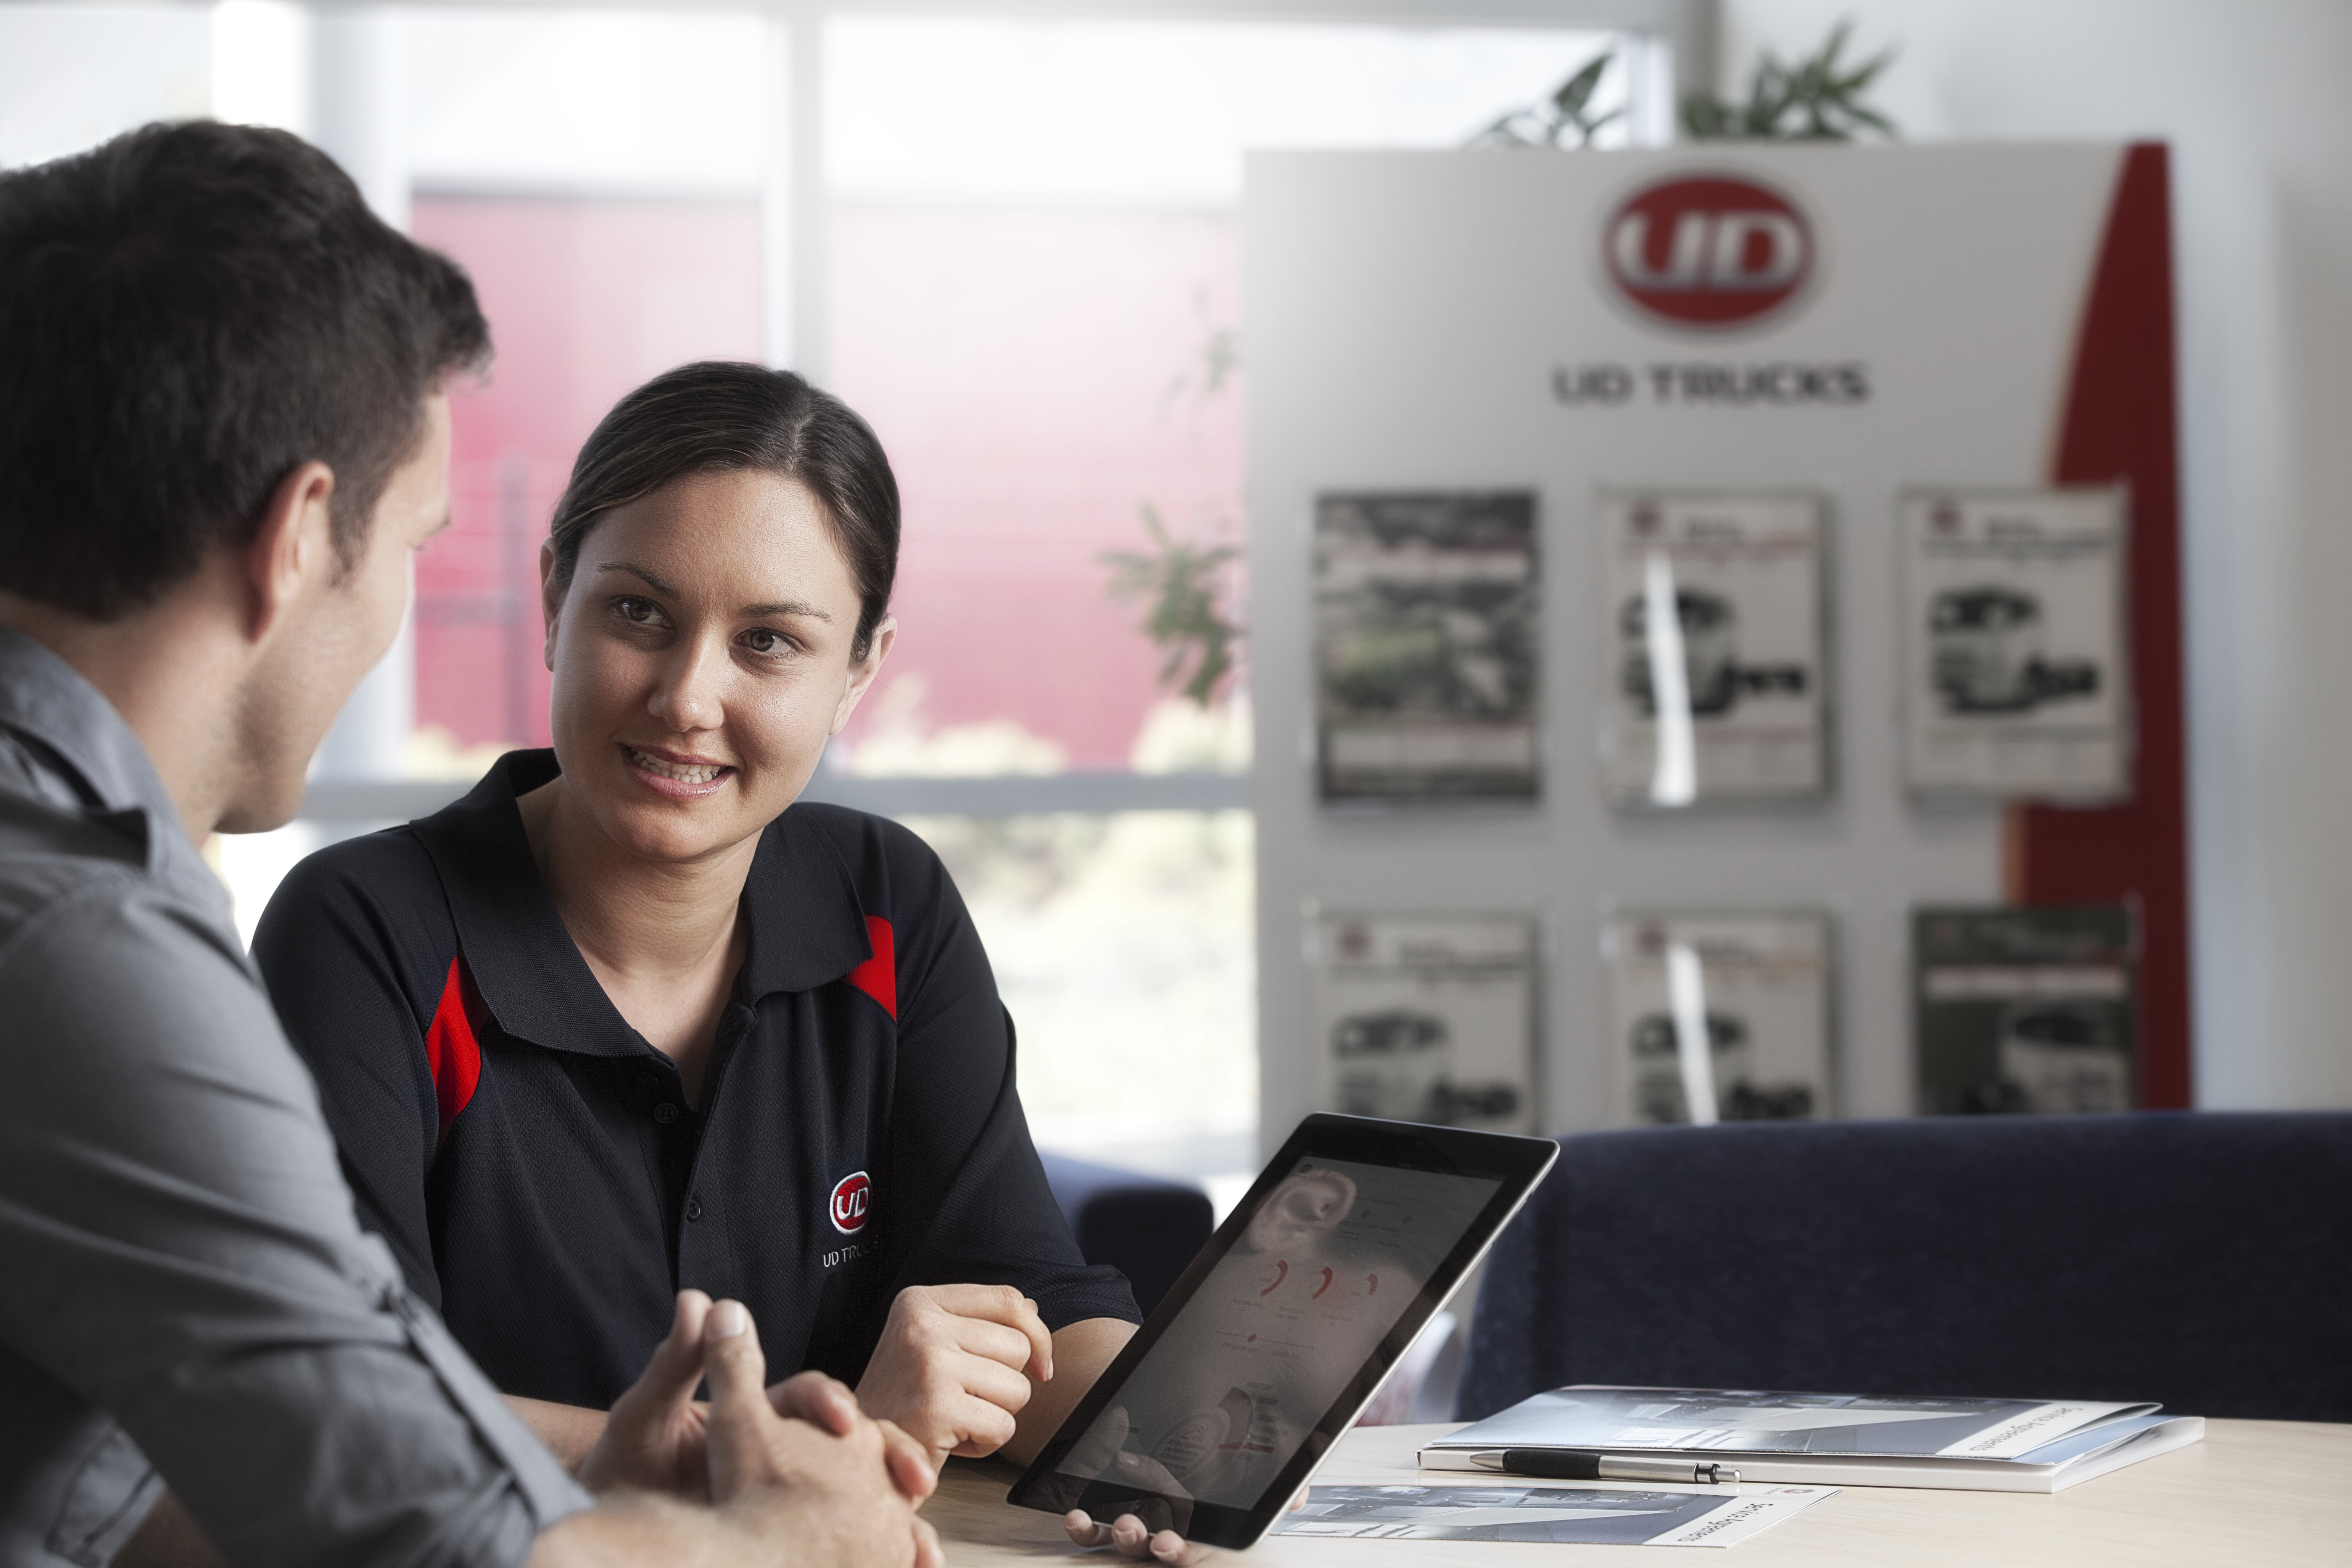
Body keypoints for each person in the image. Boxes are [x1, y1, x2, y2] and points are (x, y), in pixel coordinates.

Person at [0, 121, 939, 1568]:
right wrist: (793, 1545)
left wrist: (601, 1499)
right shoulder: (80, 930)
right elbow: (420, 1540)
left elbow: (123, 1480)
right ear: (301, 537)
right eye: (420, 541)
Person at [252, 359, 1210, 1562]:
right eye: (639, 612)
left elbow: (1032, 1304)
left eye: (768, 642)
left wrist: (1186, 1462)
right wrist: (805, 1446)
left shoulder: (887, 903)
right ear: (554, 597)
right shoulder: (365, 930)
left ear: (859, 670)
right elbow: (348, 1401)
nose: (687, 697)